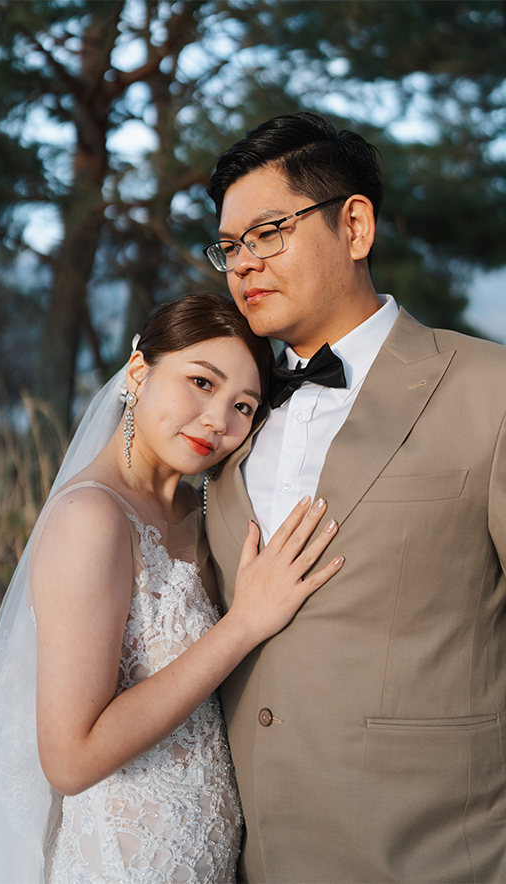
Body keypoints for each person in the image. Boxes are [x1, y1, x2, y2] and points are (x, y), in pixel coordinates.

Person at [0, 294, 345, 884]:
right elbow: (71, 758)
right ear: (137, 371)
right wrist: (244, 624)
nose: (216, 420)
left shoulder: (195, 510)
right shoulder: (91, 518)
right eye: (200, 382)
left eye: (243, 405)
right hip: (126, 866)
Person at [202, 112, 506, 882]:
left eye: (268, 233)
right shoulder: (226, 418)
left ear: (356, 226)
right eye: (230, 247)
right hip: (251, 857)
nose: (244, 265)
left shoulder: (489, 391)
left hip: (440, 857)